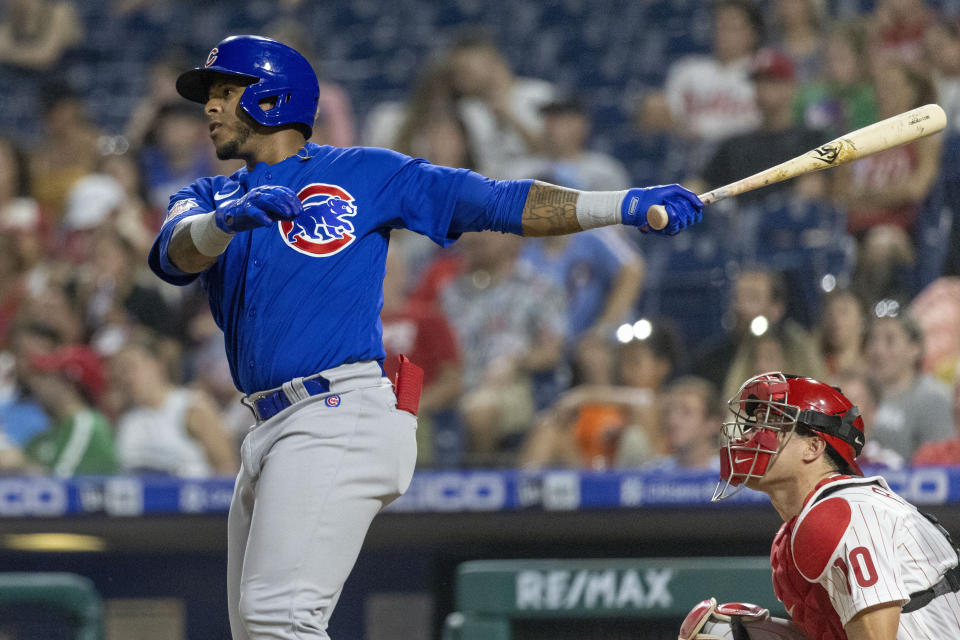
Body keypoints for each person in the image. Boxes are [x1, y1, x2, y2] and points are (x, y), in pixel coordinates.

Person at [146, 35, 702, 639]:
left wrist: (621, 203)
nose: (209, 108)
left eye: (226, 92)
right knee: (260, 630)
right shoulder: (207, 196)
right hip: (268, 426)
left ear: (274, 98)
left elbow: (497, 202)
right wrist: (222, 223)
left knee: (277, 616)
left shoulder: (364, 173)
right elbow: (171, 257)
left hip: (337, 410)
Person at [681, 371, 960, 640]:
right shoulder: (805, 526)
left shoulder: (843, 512)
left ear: (814, 447)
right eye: (752, 425)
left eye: (770, 425)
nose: (750, 437)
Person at [110, 337, 238, 477]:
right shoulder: (128, 420)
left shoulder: (191, 406)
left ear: (157, 365)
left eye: (130, 367)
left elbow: (227, 468)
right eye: (120, 371)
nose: (125, 377)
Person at [865, 311, 953, 460]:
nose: (878, 350)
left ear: (915, 349)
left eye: (890, 340)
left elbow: (940, 463)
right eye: (873, 340)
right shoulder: (858, 392)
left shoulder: (934, 399)